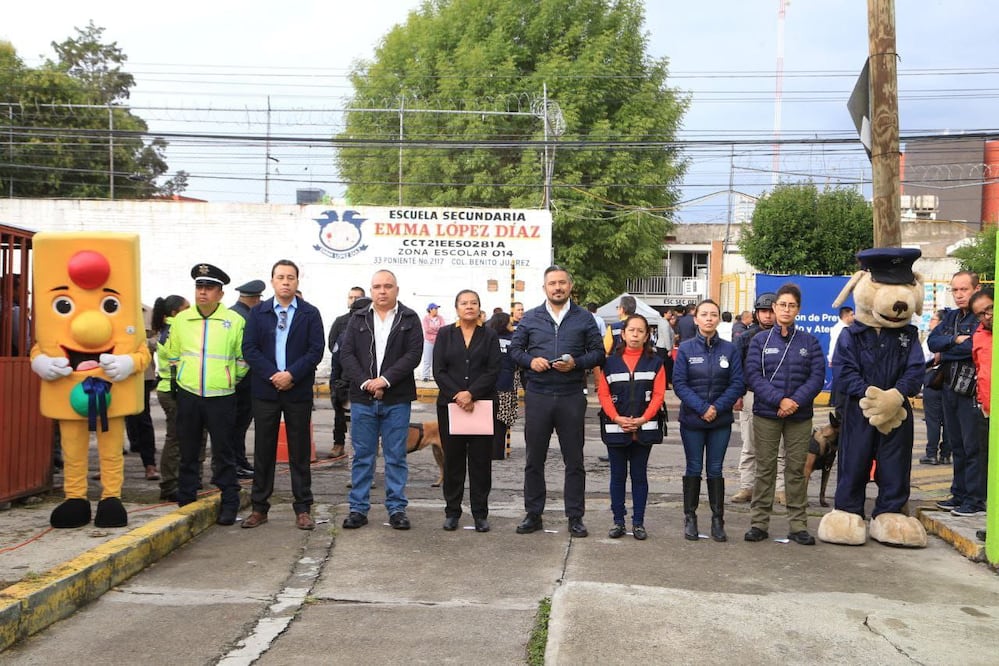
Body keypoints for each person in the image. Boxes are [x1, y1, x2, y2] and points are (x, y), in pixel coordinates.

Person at [509, 265, 605, 537]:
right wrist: (531, 361)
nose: (558, 287)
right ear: (545, 288)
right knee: (534, 459)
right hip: (538, 395)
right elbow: (514, 350)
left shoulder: (584, 318)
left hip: (571, 396)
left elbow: (598, 353)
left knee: (574, 460)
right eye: (552, 283)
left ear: (570, 286)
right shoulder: (530, 317)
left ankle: (575, 516)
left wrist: (577, 363)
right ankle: (533, 514)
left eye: (562, 282)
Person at [240, 260, 325, 531]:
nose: (286, 282)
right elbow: (249, 348)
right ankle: (259, 508)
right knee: (263, 450)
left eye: (290, 277)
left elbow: (315, 350)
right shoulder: (259, 312)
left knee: (299, 451)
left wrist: (291, 374)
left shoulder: (310, 313)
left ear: (297, 281)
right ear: (272, 281)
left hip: (297, 390)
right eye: (280, 277)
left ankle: (303, 508)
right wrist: (273, 375)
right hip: (265, 390)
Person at [164, 264, 248, 525]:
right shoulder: (182, 320)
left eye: (209, 288)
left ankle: (229, 502)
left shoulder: (234, 321)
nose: (203, 292)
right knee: (188, 451)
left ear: (220, 293)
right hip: (189, 394)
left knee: (223, 452)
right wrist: (181, 378)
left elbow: (243, 358)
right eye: (199, 287)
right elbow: (173, 355)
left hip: (221, 395)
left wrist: (229, 378)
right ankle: (187, 501)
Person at [340, 269, 423, 530]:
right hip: (362, 398)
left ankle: (397, 509)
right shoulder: (358, 318)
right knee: (363, 456)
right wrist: (367, 382)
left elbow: (414, 354)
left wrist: (385, 380)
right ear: (371, 290)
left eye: (388, 286)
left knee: (395, 456)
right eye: (377, 287)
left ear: (397, 289)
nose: (382, 291)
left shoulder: (409, 318)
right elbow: (347, 354)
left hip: (397, 398)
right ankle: (358, 509)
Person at [743, 283, 825, 546]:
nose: (786, 310)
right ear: (774, 307)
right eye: (782, 305)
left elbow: (817, 377)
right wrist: (779, 399)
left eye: (792, 305)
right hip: (767, 413)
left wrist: (795, 401)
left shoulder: (810, 342)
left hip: (799, 415)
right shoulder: (759, 341)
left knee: (796, 470)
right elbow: (753, 375)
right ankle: (759, 523)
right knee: (765, 468)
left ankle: (798, 525)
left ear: (798, 309)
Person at [673, 300, 745, 542]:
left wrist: (716, 407)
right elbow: (679, 384)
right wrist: (702, 408)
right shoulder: (686, 349)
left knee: (715, 469)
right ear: (696, 319)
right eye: (704, 314)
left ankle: (717, 520)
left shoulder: (730, 349)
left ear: (718, 319)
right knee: (693, 467)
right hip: (692, 420)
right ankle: (690, 517)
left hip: (720, 421)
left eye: (713, 315)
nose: (709, 319)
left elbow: (737, 383)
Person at [433, 289, 501, 533]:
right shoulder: (445, 334)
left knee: (480, 463)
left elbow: (493, 370)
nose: (469, 307)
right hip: (451, 406)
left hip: (481, 405)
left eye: (473, 303)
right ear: (457, 308)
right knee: (453, 461)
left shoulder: (489, 335)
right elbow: (439, 370)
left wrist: (471, 393)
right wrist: (458, 395)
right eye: (464, 303)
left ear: (479, 307)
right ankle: (452, 512)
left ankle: (480, 514)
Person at [595, 314, 666, 540]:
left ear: (647, 336)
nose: (635, 335)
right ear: (623, 334)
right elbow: (603, 394)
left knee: (639, 476)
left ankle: (638, 523)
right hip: (616, 429)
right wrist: (617, 418)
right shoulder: (610, 363)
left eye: (640, 331)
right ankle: (618, 521)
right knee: (617, 477)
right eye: (631, 330)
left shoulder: (655, 362)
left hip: (644, 429)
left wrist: (643, 419)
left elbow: (659, 395)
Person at [929, 271, 985, 517]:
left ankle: (975, 500)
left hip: (971, 390)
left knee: (973, 446)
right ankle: (959, 494)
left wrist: (947, 349)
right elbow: (932, 342)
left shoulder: (983, 317)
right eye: (955, 290)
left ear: (976, 289)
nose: (959, 294)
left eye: (964, 289)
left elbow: (974, 347)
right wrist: (956, 339)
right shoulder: (951, 316)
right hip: (949, 386)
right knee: (957, 445)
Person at [730, 293, 786, 504]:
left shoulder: (787, 336)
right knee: (750, 444)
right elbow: (736, 369)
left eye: (771, 311)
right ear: (756, 313)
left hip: (779, 396)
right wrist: (738, 394)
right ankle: (747, 486)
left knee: (780, 447)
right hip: (752, 395)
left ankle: (780, 489)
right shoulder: (745, 338)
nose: (768, 316)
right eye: (763, 311)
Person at [151, 294, 195, 502]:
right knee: (175, 438)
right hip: (172, 390)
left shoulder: (172, 329)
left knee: (181, 437)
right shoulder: (172, 331)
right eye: (186, 308)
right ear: (175, 313)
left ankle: (179, 481)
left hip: (173, 388)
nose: (191, 311)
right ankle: (169, 485)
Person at [229, 279, 266, 479]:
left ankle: (239, 461)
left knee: (237, 426)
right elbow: (247, 352)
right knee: (237, 425)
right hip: (242, 382)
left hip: (235, 380)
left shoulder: (231, 313)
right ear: (254, 299)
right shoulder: (245, 318)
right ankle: (235, 464)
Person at [327, 286, 366, 461]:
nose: (354, 301)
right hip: (344, 378)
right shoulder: (341, 322)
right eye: (351, 297)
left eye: (357, 298)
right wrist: (336, 382)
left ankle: (363, 450)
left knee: (364, 419)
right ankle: (339, 443)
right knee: (340, 414)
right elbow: (334, 348)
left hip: (364, 380)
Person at [125, 304, 160, 481]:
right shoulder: (111, 307)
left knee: (143, 419)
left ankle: (150, 465)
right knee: (109, 419)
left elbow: (158, 341)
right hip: (113, 372)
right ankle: (107, 466)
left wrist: (140, 343)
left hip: (142, 374)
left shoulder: (148, 312)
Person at [970, 290, 993, 534]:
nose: (987, 316)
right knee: (990, 472)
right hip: (987, 412)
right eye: (980, 314)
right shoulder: (979, 335)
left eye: (990, 308)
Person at [487, 312, 518, 461]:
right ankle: (497, 452)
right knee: (502, 420)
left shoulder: (487, 337)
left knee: (487, 419)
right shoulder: (513, 340)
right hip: (506, 384)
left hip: (487, 385)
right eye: (509, 323)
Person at [920, 310, 948, 465]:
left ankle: (931, 454)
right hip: (949, 381)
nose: (930, 322)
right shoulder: (952, 337)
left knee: (933, 420)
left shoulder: (932, 339)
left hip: (933, 381)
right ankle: (946, 454)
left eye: (933, 319)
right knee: (948, 421)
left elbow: (922, 359)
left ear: (940, 322)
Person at [421, 302, 445, 381]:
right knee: (427, 359)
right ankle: (425, 376)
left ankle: (438, 376)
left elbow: (443, 328)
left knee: (438, 360)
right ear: (430, 310)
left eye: (437, 309)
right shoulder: (426, 319)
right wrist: (437, 329)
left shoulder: (440, 318)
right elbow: (427, 329)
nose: (437, 310)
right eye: (435, 309)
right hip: (428, 341)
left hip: (439, 341)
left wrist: (433, 328)